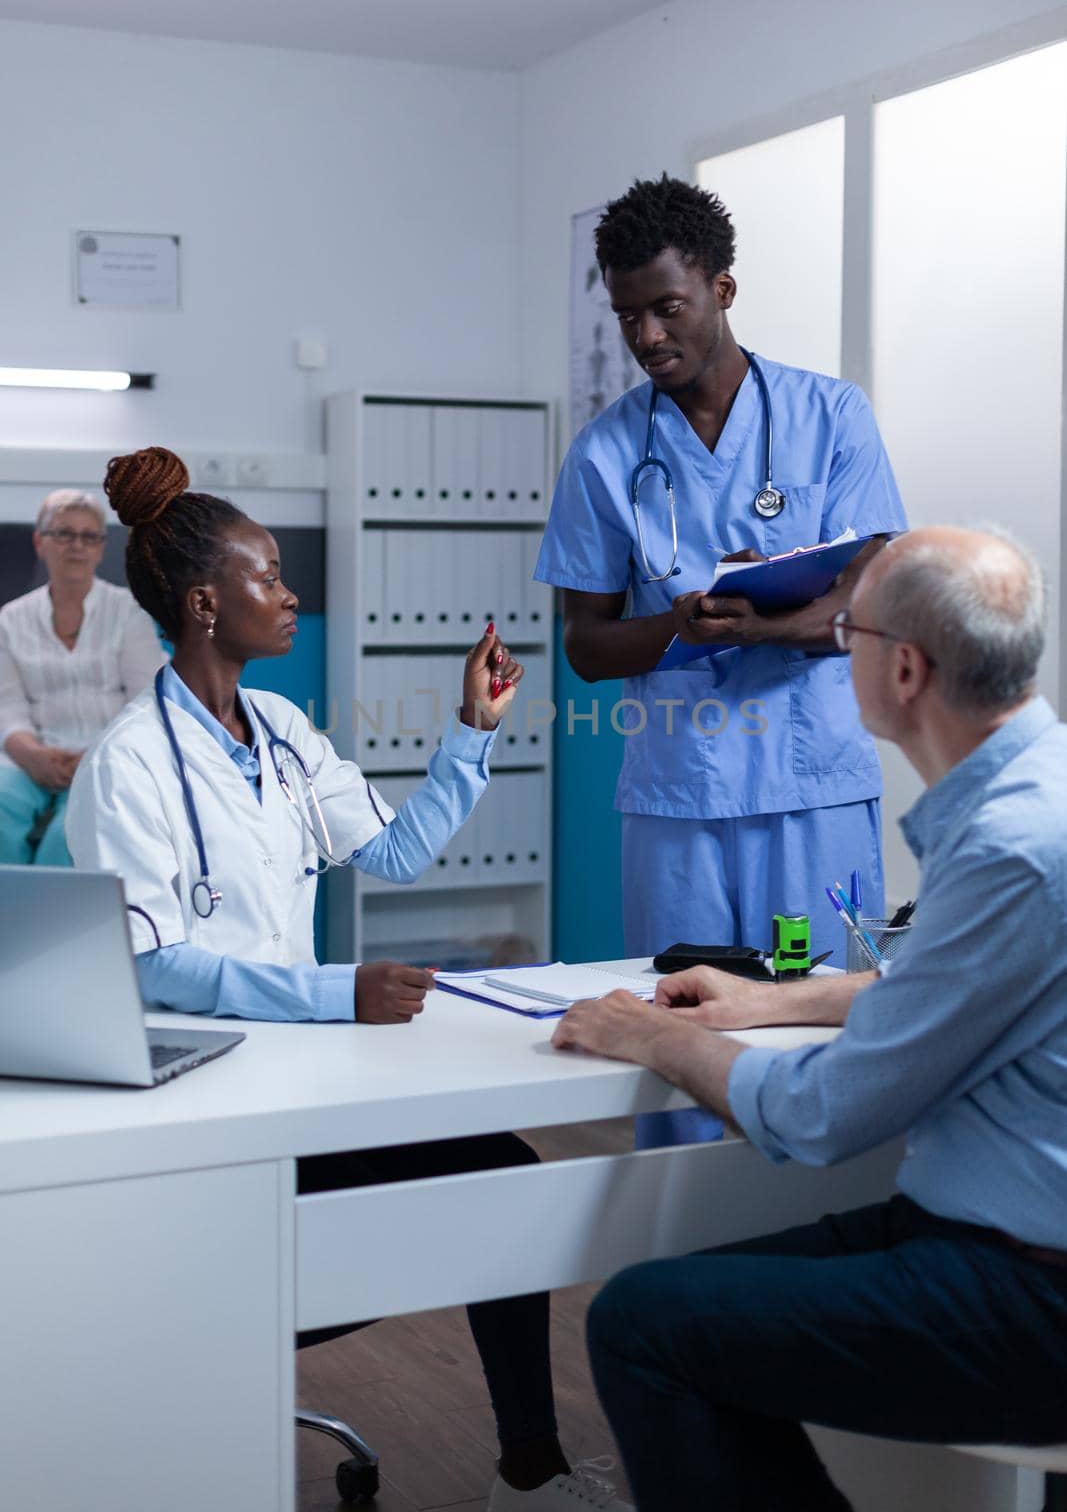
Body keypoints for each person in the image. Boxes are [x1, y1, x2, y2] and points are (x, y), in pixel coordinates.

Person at [65, 446, 631, 1512]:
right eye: (267, 576)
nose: (290, 595)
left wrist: (471, 731)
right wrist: (335, 993)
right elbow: (147, 962)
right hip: (207, 1104)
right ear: (200, 602)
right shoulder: (127, 764)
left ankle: (529, 1467)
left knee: (499, 1166)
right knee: (428, 1202)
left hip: (308, 1083)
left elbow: (394, 852)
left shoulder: (278, 730)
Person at [551, 526, 1067, 1512]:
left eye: (848, 628)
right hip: (988, 1233)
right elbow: (963, 987)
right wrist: (779, 999)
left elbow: (822, 1114)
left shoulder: (1009, 846)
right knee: (706, 1304)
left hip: (1030, 1294)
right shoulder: (1037, 795)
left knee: (641, 1323)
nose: (836, 644)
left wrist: (659, 1037)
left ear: (903, 668)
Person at [534, 175, 907, 1147]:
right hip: (679, 801)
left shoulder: (831, 419)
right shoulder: (604, 455)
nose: (648, 336)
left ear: (721, 288)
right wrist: (680, 627)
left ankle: (824, 1268)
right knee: (676, 1048)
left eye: (668, 306)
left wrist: (759, 624)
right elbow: (583, 646)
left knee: (821, 1033)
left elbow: (877, 599)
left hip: (808, 791)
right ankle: (686, 1271)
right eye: (626, 317)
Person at [0, 488, 164, 865]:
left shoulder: (128, 612)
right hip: (32, 755)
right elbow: (7, 705)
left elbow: (145, 703)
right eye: (64, 534)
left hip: (107, 756)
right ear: (40, 542)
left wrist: (95, 757)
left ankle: (49, 920)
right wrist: (32, 755)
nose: (77, 546)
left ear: (101, 548)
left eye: (89, 536)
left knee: (68, 833)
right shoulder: (11, 618)